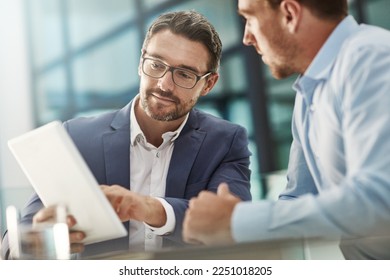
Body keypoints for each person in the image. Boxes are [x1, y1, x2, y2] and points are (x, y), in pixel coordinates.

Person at [1, 10, 252, 259]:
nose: (164, 84)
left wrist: (148, 208)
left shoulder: (226, 141)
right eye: (156, 65)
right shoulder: (77, 137)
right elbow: (14, 243)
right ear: (141, 62)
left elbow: (235, 223)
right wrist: (37, 239)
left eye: (184, 74)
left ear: (208, 84)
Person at [183, 0, 390, 259]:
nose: (247, 37)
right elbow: (295, 200)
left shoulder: (371, 57)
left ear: (290, 14)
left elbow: (381, 201)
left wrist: (238, 222)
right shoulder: (308, 94)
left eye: (250, 18)